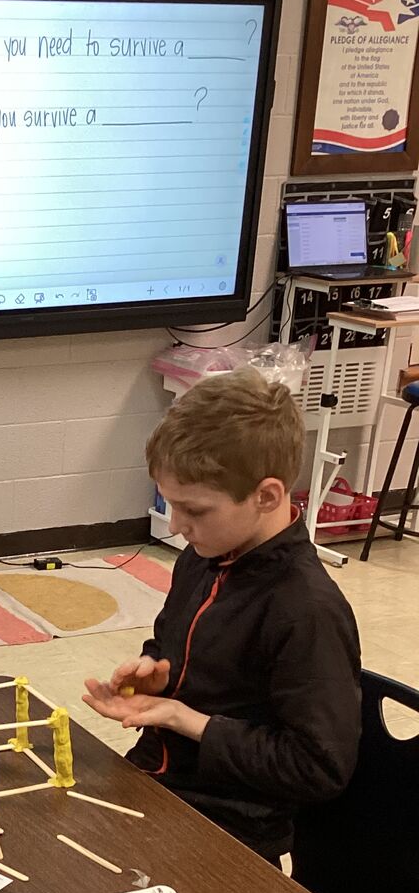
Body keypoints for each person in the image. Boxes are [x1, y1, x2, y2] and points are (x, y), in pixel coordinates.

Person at [82, 367, 360, 863]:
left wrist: (186, 720)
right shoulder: (203, 557)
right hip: (156, 784)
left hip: (230, 830)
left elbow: (318, 767)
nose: (177, 525)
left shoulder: (306, 610)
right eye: (171, 505)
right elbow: (172, 641)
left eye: (195, 510)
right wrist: (155, 673)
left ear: (267, 496)